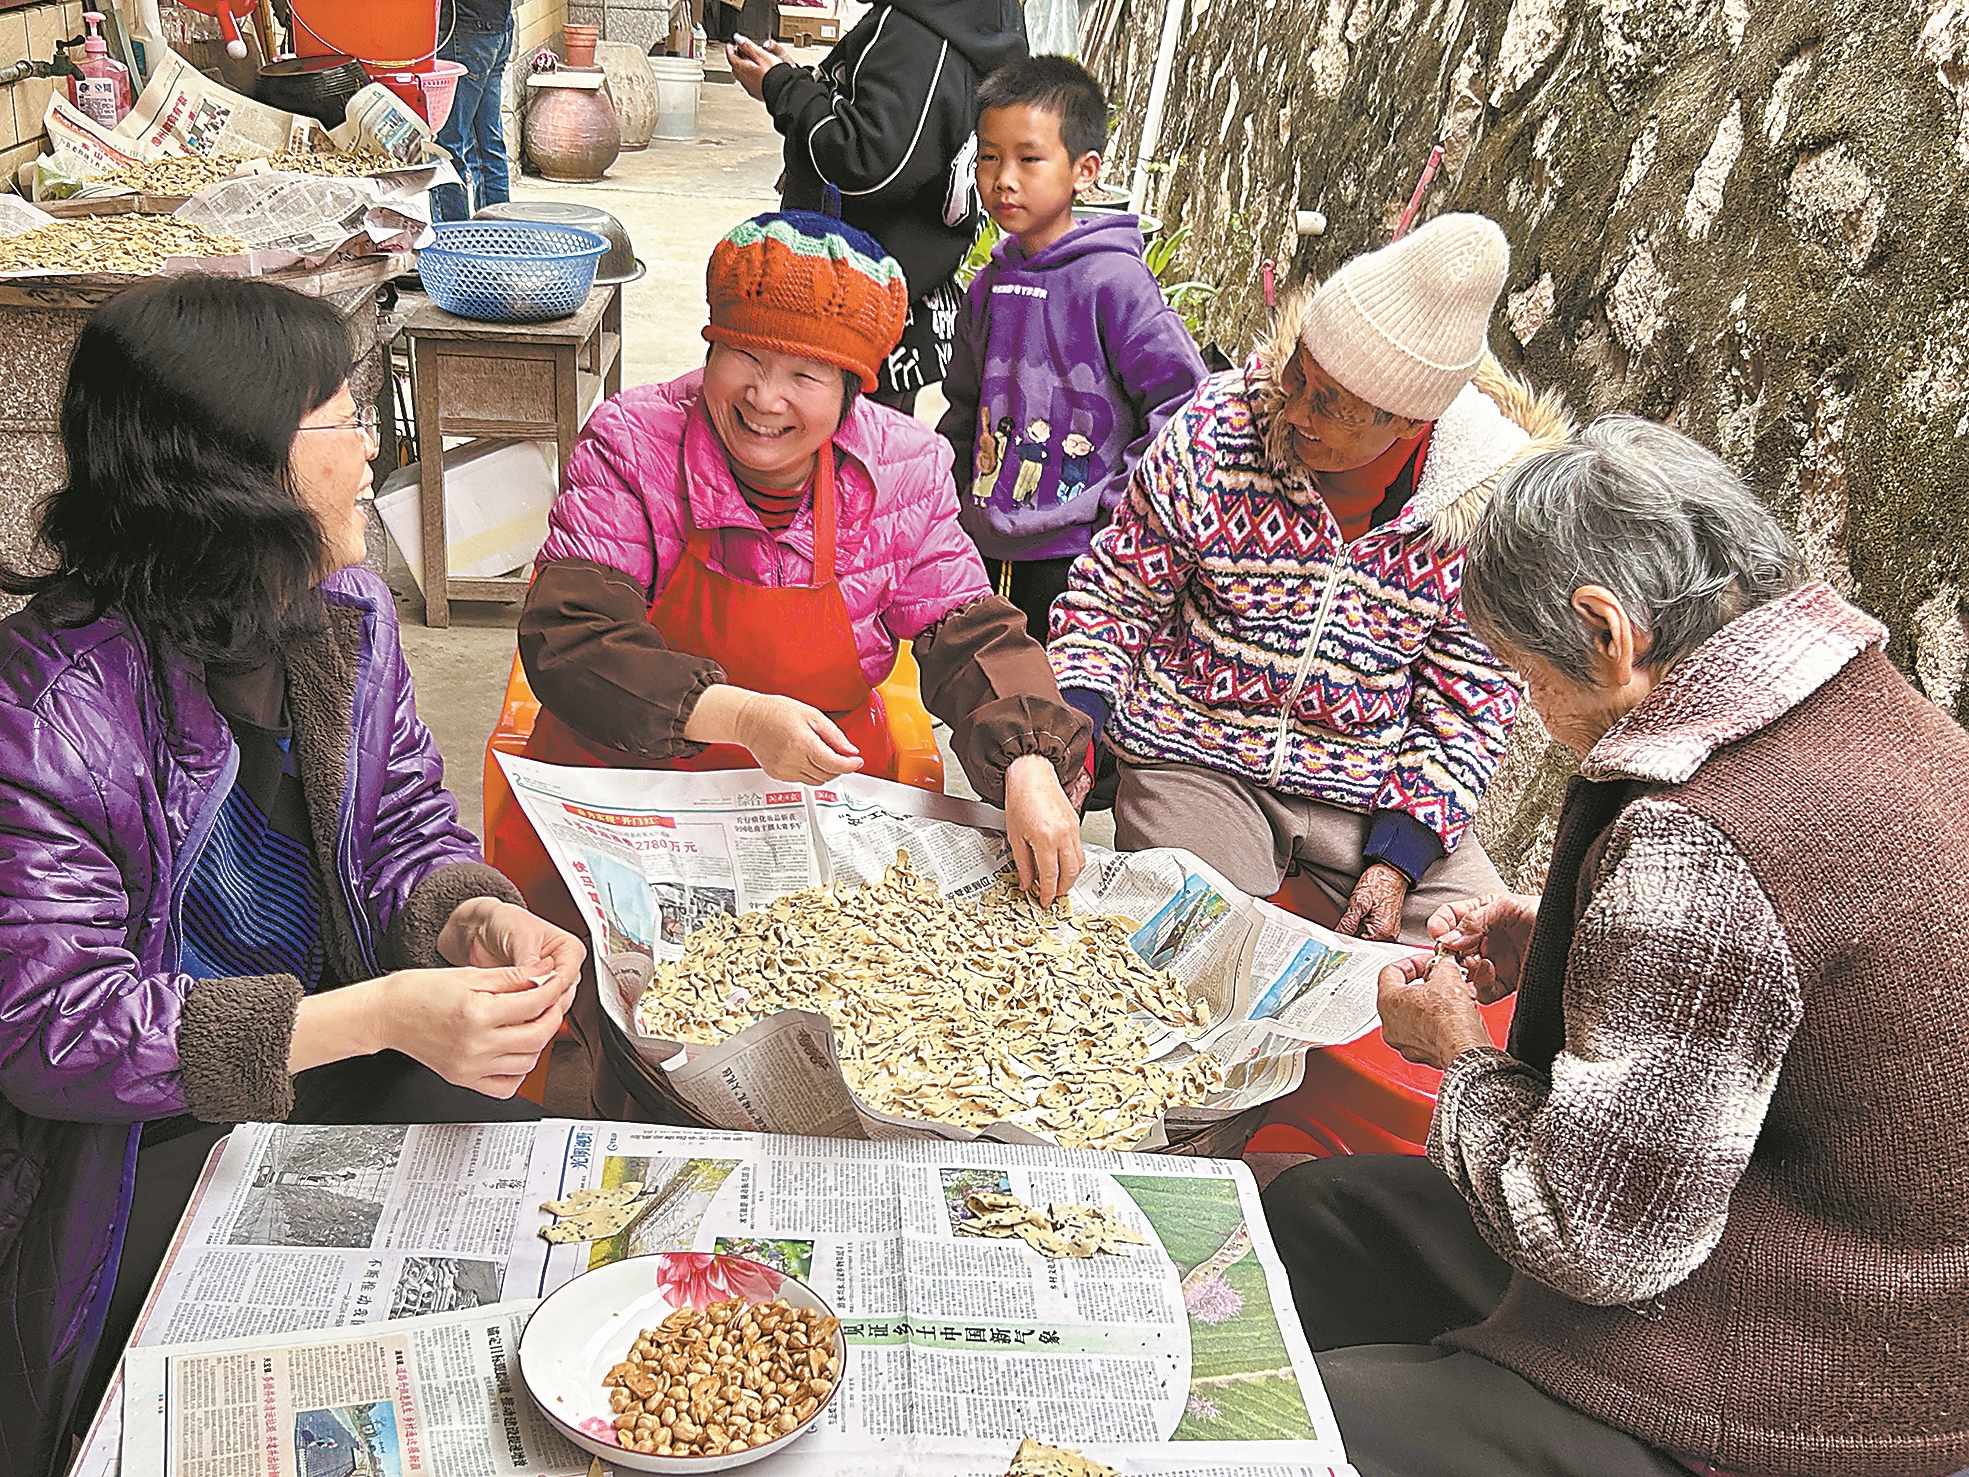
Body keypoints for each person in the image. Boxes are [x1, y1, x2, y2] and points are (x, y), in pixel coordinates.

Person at [1262, 417, 1969, 1477]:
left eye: (1523, 673)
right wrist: (1566, 941)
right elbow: (1776, 985)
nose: (1533, 709)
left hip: (1812, 1364)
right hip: (1752, 1236)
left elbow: (1591, 1237)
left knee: (1294, 1428)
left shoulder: (1711, 836)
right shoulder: (1859, 706)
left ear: (1605, 630)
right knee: (1311, 1215)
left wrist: (1459, 1052)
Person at [0, 276, 584, 1476]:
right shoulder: (50, 709)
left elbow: (404, 826)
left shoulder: (348, 615)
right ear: (242, 464)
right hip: (140, 1143)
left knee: (536, 1257)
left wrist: (470, 917)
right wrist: (373, 1012)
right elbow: (54, 1027)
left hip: (337, 1058)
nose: (376, 450)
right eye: (344, 418)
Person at [515, 209, 1090, 1118]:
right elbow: (573, 637)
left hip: (809, 793)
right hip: (630, 776)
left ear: (855, 386)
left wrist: (1027, 758)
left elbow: (966, 631)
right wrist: (742, 717)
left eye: (805, 373)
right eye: (743, 356)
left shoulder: (902, 468)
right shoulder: (633, 441)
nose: (765, 397)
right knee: (629, 1046)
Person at [1048, 214, 1570, 938]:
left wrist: (1400, 857)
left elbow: (1468, 700)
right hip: (1200, 752)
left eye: (1329, 403)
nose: (1291, 408)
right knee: (1186, 937)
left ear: (1411, 424)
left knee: (1479, 948)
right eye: (1298, 370)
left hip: (1365, 785)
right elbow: (1113, 595)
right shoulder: (1217, 429)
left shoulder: (1483, 513)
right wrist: (1073, 725)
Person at [938, 55, 1205, 650]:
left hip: (1074, 555)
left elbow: (1183, 401)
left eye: (1029, 159)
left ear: (1085, 171)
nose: (1003, 179)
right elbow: (962, 405)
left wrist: (1119, 508)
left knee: (1060, 705)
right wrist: (950, 500)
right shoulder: (987, 287)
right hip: (984, 540)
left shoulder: (1115, 281)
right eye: (988, 157)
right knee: (986, 693)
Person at [726, 0, 1027, 410]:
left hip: (849, 297)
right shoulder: (972, 22)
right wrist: (793, 80)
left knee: (828, 444)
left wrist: (783, 90)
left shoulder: (912, 31)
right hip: (908, 291)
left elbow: (864, 164)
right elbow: (892, 127)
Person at [431, 0, 515, 222]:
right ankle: (499, 240)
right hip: (497, 25)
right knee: (487, 144)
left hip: (466, 31)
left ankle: (452, 243)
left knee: (445, 148)